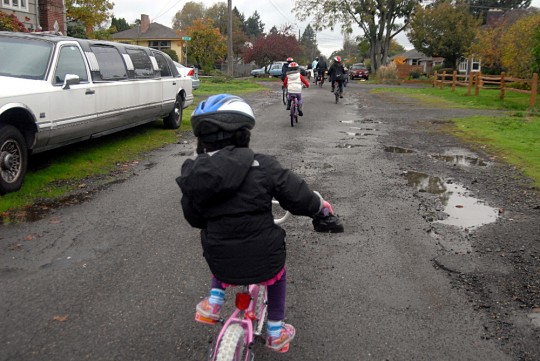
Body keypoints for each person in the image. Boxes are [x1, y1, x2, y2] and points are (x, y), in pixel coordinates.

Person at [176, 94, 343, 353]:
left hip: (220, 259)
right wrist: (320, 210)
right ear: (244, 134)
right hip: (264, 257)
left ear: (201, 139)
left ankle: (214, 301)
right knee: (277, 276)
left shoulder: (194, 173)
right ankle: (275, 330)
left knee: (220, 239)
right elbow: (298, 196)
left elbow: (194, 218)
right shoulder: (263, 166)